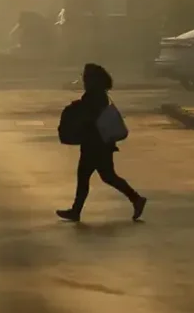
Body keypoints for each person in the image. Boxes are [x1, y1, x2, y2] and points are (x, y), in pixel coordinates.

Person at [56, 63, 146, 222]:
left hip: (96, 143)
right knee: (105, 176)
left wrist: (74, 108)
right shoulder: (98, 94)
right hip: (97, 142)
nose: (83, 80)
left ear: (92, 79)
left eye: (86, 77)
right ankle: (135, 199)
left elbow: (90, 114)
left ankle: (77, 211)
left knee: (90, 177)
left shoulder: (95, 95)